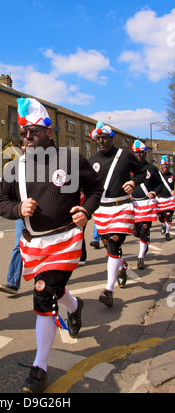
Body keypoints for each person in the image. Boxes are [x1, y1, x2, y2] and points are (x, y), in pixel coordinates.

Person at [0, 97, 103, 393]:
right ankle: (75, 305)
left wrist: (85, 210)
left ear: (49, 132)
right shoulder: (14, 167)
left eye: (33, 132)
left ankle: (40, 366)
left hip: (65, 239)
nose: (27, 138)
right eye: (23, 133)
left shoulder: (71, 158)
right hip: (34, 243)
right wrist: (17, 210)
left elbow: (95, 188)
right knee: (51, 287)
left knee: (43, 293)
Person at [88, 121, 146, 307]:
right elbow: (85, 185)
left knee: (113, 242)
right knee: (108, 245)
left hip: (121, 207)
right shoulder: (92, 161)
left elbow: (143, 172)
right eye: (99, 138)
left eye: (105, 138)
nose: (101, 141)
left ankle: (109, 290)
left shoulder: (125, 156)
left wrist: (134, 183)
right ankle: (122, 267)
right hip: (102, 210)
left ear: (112, 139)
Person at [0, 140, 26, 294]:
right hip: (22, 211)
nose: (25, 147)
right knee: (19, 246)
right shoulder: (15, 167)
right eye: (22, 145)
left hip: (42, 212)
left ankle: (53, 278)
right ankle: (13, 283)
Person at [131, 140, 163, 269]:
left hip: (147, 203)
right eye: (136, 153)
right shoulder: (128, 168)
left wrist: (154, 193)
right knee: (137, 232)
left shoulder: (152, 168)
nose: (138, 155)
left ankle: (140, 257)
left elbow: (160, 185)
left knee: (144, 228)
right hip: (133, 204)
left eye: (141, 153)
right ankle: (143, 240)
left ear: (145, 153)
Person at [157, 155, 175, 241]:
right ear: (161, 165)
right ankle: (163, 224)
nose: (165, 166)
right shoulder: (157, 176)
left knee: (168, 217)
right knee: (161, 218)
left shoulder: (172, 176)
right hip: (160, 200)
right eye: (164, 164)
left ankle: (167, 233)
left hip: (169, 200)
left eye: (167, 164)